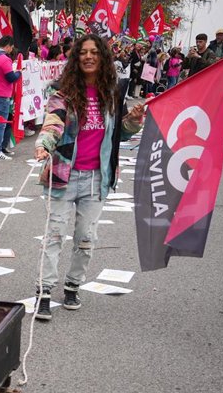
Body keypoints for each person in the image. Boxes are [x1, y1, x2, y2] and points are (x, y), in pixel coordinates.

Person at [32, 34, 145, 320]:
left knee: (86, 237)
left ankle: (73, 285)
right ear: (76, 58)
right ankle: (44, 290)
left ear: (103, 57)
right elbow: (54, 122)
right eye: (83, 52)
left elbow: (120, 134)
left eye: (94, 52)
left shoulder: (112, 92)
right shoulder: (62, 91)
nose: (89, 56)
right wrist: (44, 144)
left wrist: (132, 121)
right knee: (54, 235)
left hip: (97, 177)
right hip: (63, 175)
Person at [0, 35, 21, 160]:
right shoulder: (4, 59)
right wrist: (19, 72)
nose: (11, 50)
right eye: (11, 47)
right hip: (1, 95)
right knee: (0, 125)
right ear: (7, 47)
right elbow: (11, 78)